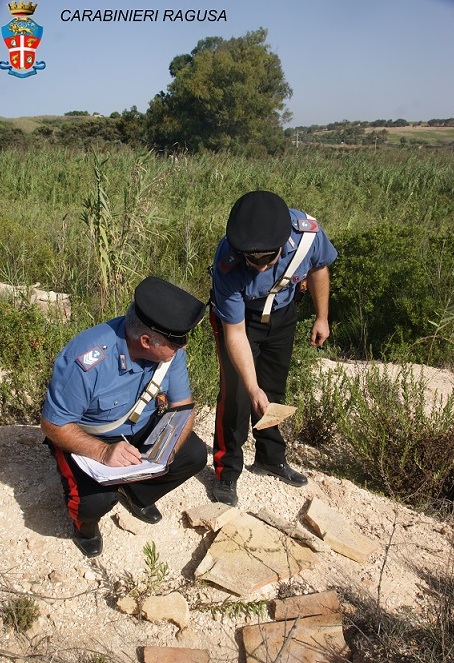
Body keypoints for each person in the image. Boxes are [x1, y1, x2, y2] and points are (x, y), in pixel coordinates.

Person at [41, 276, 207, 557]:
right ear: (146, 340)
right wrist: (104, 452)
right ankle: (85, 528)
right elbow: (53, 425)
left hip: (138, 428)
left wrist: (165, 454)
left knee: (193, 454)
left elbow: (182, 405)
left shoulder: (169, 352)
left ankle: (137, 493)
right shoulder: (86, 362)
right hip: (87, 438)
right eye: (178, 340)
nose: (184, 346)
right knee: (95, 502)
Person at [210, 190, 338, 506]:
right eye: (252, 260)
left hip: (282, 314)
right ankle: (227, 470)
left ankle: (270, 455)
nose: (260, 266)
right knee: (237, 396)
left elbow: (319, 268)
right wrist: (251, 387)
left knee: (274, 390)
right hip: (242, 321)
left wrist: (322, 316)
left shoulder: (307, 234)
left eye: (268, 258)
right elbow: (235, 333)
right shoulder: (227, 262)